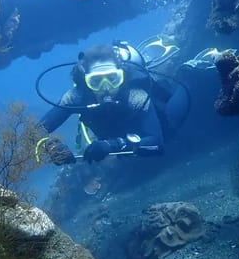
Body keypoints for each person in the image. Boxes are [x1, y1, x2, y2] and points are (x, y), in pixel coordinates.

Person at [36, 39, 189, 165]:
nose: (106, 88)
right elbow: (35, 132)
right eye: (96, 81)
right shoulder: (76, 97)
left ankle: (189, 72)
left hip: (160, 126)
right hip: (127, 144)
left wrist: (112, 145)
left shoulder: (135, 96)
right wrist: (52, 146)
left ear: (122, 77)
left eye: (112, 79)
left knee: (174, 120)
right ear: (86, 81)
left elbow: (157, 144)